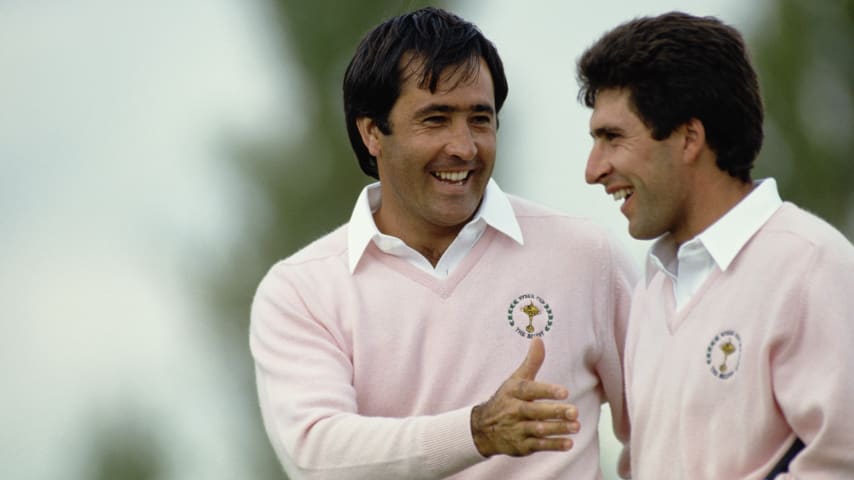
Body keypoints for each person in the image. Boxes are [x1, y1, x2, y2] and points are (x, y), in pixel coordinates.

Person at [250, 6, 638, 480]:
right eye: (435, 119)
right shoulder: (302, 291)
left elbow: (659, 425)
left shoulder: (585, 255)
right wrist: (477, 433)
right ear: (371, 132)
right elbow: (317, 454)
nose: (465, 147)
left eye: (480, 118)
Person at [578, 11, 854, 479]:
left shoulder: (813, 268)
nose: (593, 169)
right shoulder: (653, 289)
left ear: (689, 137)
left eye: (613, 138)